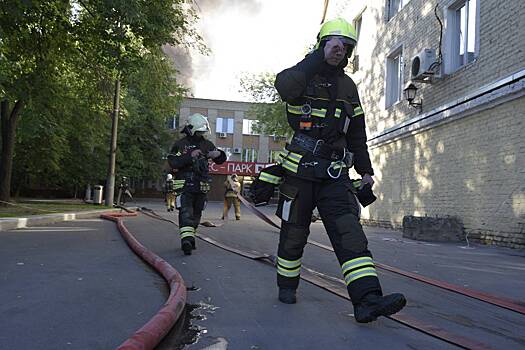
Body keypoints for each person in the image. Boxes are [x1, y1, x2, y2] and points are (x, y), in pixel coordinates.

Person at [251, 18, 405, 323]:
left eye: (344, 45)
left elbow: (357, 133)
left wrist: (366, 171)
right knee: (293, 235)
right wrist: (316, 58)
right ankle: (287, 285)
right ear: (321, 45)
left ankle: (367, 301)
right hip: (299, 173)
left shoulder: (349, 86)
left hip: (334, 176)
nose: (339, 49)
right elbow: (284, 86)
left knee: (350, 235)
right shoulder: (302, 75)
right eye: (332, 44)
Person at [167, 113, 226, 255]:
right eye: (199, 131)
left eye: (202, 132)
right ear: (191, 129)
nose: (201, 134)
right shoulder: (180, 144)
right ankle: (186, 240)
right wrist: (189, 156)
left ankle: (190, 236)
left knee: (197, 214)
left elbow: (220, 159)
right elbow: (173, 162)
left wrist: (218, 154)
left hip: (201, 186)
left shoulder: (207, 144)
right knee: (186, 212)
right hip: (185, 185)